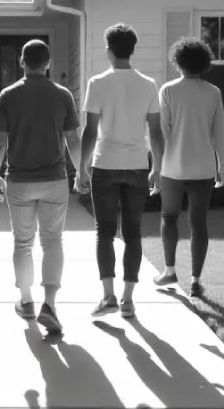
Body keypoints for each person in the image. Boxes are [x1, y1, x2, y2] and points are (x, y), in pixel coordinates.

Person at [0, 39, 82, 335]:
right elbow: (74, 140)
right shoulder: (62, 95)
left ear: (22, 62)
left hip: (19, 181)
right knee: (53, 241)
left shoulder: (8, 95)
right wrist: (82, 172)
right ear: (48, 63)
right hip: (55, 179)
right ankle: (50, 306)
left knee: (22, 243)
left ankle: (27, 301)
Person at [76, 23, 164, 318]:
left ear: (108, 50)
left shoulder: (98, 83)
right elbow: (156, 132)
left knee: (105, 232)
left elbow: (90, 131)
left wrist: (81, 168)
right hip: (138, 165)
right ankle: (127, 300)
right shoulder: (149, 84)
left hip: (105, 164)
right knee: (133, 232)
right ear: (132, 49)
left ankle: (108, 297)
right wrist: (158, 168)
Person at [153, 37, 224, 296]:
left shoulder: (168, 90)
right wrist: (223, 165)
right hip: (204, 167)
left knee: (169, 217)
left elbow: (162, 131)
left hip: (173, 166)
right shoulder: (213, 92)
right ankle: (196, 280)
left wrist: (155, 166)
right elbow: (219, 132)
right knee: (199, 222)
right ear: (203, 62)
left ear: (178, 61)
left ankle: (170, 272)